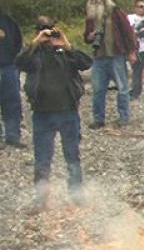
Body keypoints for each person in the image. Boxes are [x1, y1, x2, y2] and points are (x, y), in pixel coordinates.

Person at [15, 17, 93, 211]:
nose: (48, 35)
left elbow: (87, 63)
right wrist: (34, 43)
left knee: (72, 156)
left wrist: (67, 45)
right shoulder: (33, 54)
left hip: (68, 112)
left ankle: (76, 195)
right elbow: (19, 63)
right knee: (42, 157)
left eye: (50, 30)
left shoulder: (64, 52)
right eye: (43, 31)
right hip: (42, 113)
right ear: (36, 33)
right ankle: (41, 199)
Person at [84, 0, 137, 129]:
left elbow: (127, 31)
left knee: (123, 88)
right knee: (98, 90)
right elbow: (86, 37)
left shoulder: (115, 10)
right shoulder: (90, 13)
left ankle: (124, 117)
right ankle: (98, 119)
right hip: (99, 57)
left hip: (116, 56)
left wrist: (131, 52)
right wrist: (91, 36)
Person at [0, 6, 24, 148]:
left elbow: (18, 42)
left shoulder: (8, 21)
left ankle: (13, 136)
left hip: (9, 66)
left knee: (13, 103)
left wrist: (13, 58)